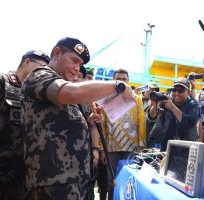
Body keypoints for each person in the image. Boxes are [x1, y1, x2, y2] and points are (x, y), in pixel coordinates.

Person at [20, 37, 135, 200]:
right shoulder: (40, 75)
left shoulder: (63, 86)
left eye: (80, 64)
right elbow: (71, 92)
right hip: (51, 183)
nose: (76, 68)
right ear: (57, 53)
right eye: (74, 61)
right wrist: (117, 85)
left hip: (73, 181)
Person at [0, 50, 50, 200]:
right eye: (42, 68)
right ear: (27, 62)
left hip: (22, 176)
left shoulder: (37, 96)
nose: (44, 73)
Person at [100, 68, 145, 200]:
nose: (121, 81)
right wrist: (102, 148)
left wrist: (141, 144)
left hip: (131, 147)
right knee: (111, 180)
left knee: (129, 180)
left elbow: (141, 121)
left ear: (128, 81)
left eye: (124, 79)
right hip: (111, 146)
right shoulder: (106, 99)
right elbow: (102, 124)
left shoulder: (136, 99)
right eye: (118, 79)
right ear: (114, 80)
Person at [146, 77, 200, 151]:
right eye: (174, 90)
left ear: (188, 92)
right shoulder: (168, 101)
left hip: (186, 147)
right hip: (167, 145)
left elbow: (189, 122)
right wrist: (156, 104)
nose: (177, 93)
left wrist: (172, 107)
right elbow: (151, 118)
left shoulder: (194, 104)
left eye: (180, 90)